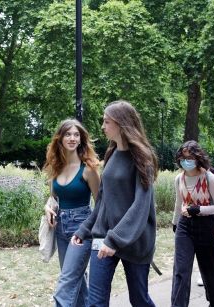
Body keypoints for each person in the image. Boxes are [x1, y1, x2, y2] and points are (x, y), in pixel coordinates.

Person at [72, 100, 158, 307]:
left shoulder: (142, 159)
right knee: (96, 302)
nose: (102, 126)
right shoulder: (110, 154)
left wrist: (115, 239)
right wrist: (84, 229)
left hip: (135, 240)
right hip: (104, 236)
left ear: (121, 124)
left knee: (139, 300)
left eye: (107, 122)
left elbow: (140, 206)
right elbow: (102, 200)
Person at [43, 119, 100, 307]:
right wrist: (47, 208)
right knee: (77, 280)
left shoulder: (89, 170)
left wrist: (88, 229)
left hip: (82, 229)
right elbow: (53, 198)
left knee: (67, 281)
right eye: (68, 134)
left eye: (76, 135)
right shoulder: (55, 167)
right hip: (60, 228)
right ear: (60, 138)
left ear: (81, 139)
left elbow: (101, 204)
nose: (72, 138)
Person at [171, 140, 214, 307]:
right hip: (185, 226)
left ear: (198, 158)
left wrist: (199, 209)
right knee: (181, 271)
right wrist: (175, 223)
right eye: (183, 157)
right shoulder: (179, 178)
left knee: (209, 271)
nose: (186, 161)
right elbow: (179, 203)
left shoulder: (209, 177)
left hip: (206, 226)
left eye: (190, 157)